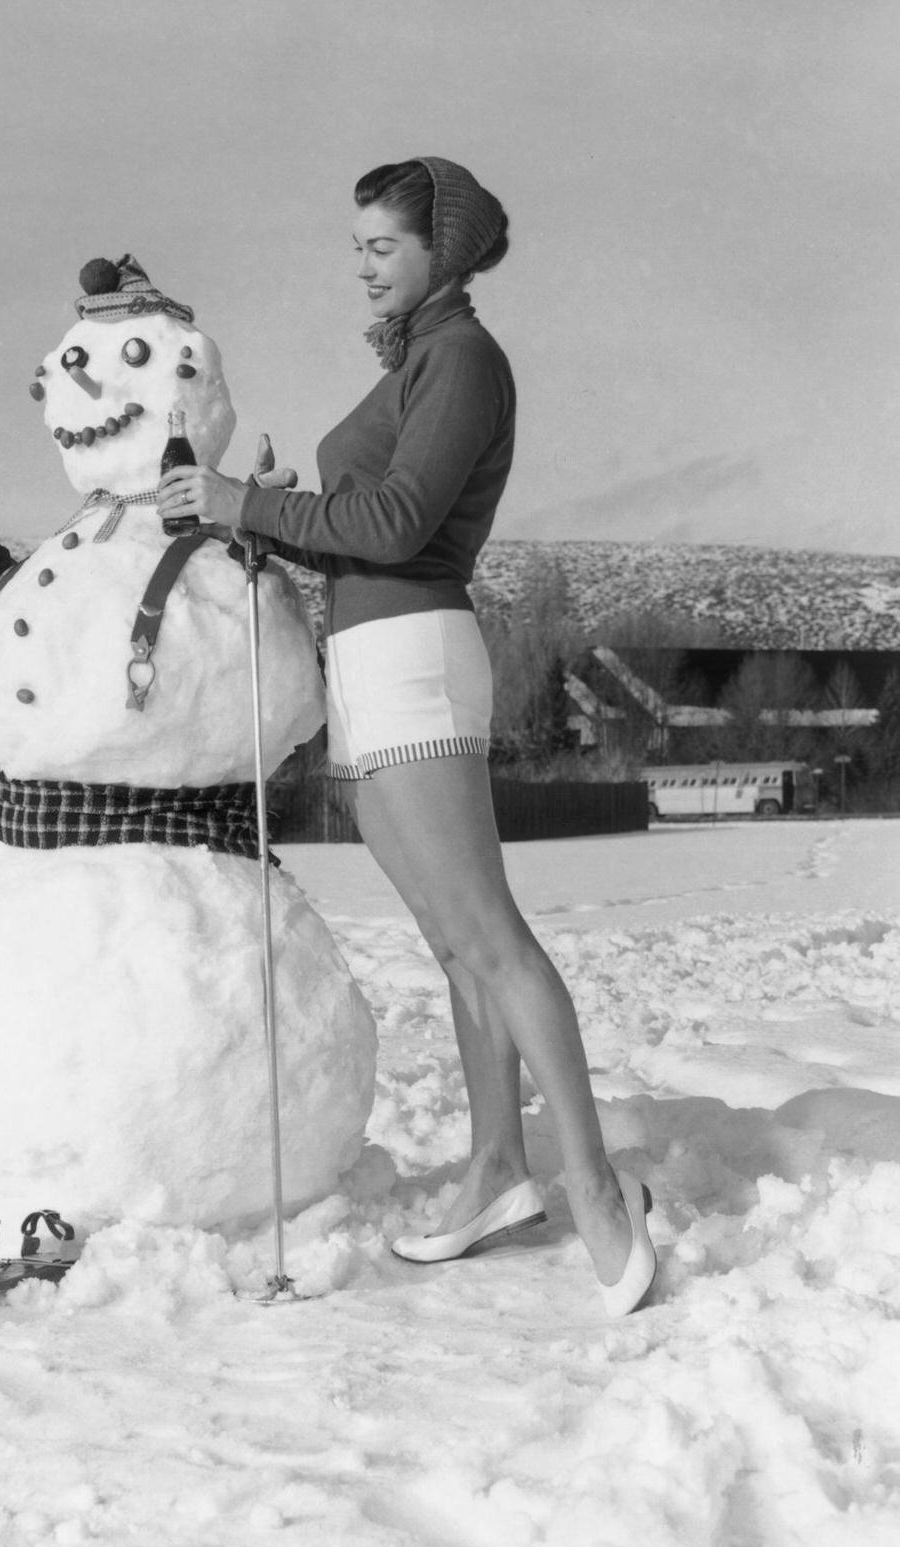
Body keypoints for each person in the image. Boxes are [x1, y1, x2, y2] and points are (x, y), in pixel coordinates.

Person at [156, 155, 656, 1317]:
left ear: (444, 248)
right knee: (451, 947)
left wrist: (245, 504)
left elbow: (394, 522)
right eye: (356, 247)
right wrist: (269, 516)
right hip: (370, 664)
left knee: (491, 940)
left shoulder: (464, 361)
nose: (363, 265)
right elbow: (355, 531)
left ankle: (591, 1186)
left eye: (382, 245)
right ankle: (494, 1170)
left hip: (418, 661)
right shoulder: (424, 361)